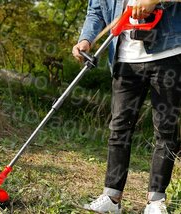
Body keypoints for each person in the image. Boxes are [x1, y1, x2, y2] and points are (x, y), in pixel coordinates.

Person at [72, 0, 181, 213]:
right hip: (124, 58)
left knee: (165, 130)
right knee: (119, 129)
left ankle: (156, 201)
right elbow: (96, 11)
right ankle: (112, 197)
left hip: (168, 53)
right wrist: (86, 39)